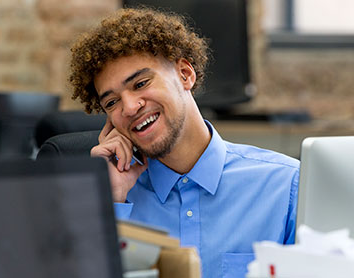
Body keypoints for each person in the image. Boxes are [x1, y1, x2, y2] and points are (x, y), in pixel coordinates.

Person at [69, 7, 300, 278]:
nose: (130, 107)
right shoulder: (109, 201)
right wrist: (110, 201)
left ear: (185, 74)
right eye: (111, 102)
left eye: (141, 83)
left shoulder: (285, 187)